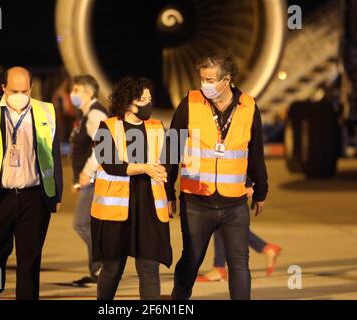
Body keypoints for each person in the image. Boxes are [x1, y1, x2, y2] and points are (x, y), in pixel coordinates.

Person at [167, 50, 268, 300]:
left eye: (211, 80)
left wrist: (261, 191)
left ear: (227, 79)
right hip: (196, 202)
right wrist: (168, 191)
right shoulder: (189, 103)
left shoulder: (249, 106)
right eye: (203, 79)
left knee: (239, 264)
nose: (205, 85)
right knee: (191, 261)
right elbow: (171, 150)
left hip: (234, 203)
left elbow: (255, 152)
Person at [0, 66, 63, 300]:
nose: (20, 95)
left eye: (25, 90)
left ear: (31, 88)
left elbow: (53, 155)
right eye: (14, 90)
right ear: (4, 87)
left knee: (29, 260)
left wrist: (56, 193)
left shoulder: (45, 111)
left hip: (33, 196)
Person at [91, 77, 173, 300]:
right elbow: (110, 164)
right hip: (116, 211)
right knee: (113, 268)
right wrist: (145, 167)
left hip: (149, 208)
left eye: (150, 98)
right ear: (127, 103)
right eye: (142, 99)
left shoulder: (158, 127)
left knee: (149, 268)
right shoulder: (106, 127)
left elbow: (170, 161)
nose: (148, 103)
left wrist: (169, 187)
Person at [197, 183, 281, 282]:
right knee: (224, 221)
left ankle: (219, 268)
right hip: (227, 183)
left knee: (223, 219)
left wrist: (250, 184)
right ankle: (265, 247)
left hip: (229, 184)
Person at [69, 75, 108, 286]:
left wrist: (86, 173)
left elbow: (102, 147)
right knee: (88, 225)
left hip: (95, 179)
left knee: (81, 224)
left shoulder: (95, 113)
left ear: (90, 92)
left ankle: (103, 266)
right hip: (90, 179)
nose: (72, 94)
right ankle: (97, 272)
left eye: (77, 90)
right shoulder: (86, 114)